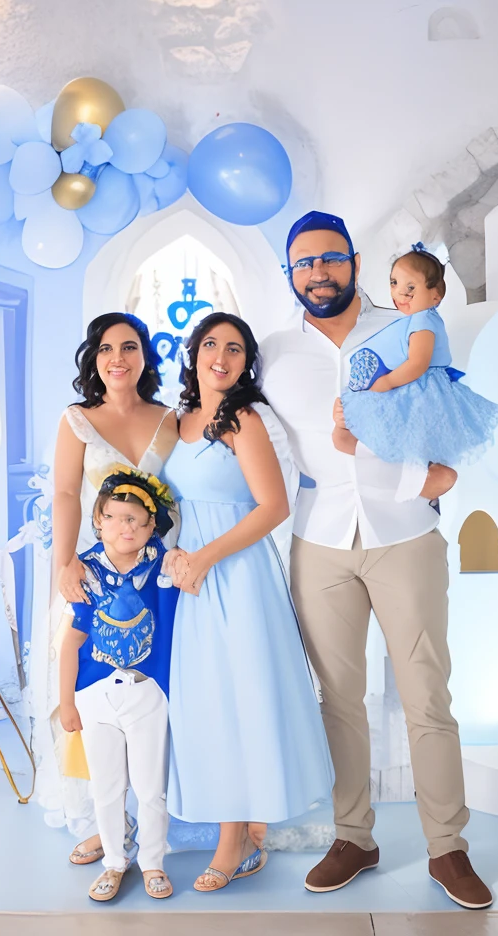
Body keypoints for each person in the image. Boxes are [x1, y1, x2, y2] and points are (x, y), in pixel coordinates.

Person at [262, 211, 494, 909]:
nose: (317, 273)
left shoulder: (406, 327)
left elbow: (445, 412)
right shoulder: (272, 355)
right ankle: (353, 836)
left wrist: (436, 480)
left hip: (405, 535)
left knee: (427, 695)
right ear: (290, 275)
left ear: (354, 261)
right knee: (339, 701)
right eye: (303, 264)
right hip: (320, 542)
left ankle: (448, 849)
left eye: (329, 259)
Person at [161, 312, 334, 893]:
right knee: (207, 704)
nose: (221, 356)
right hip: (190, 580)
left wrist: (203, 558)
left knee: (242, 698)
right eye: (211, 344)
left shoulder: (243, 419)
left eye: (235, 349)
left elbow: (272, 506)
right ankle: (244, 831)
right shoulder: (179, 423)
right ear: (194, 353)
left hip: (236, 576)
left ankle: (233, 842)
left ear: (246, 363)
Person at [44, 312, 180, 865]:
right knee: (94, 688)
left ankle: (157, 820)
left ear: (145, 355)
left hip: (158, 574)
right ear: (93, 357)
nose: (117, 358)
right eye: (105, 348)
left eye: (129, 347)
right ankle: (105, 820)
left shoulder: (172, 418)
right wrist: (65, 563)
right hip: (94, 571)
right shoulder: (77, 420)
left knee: (152, 688)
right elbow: (67, 495)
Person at [59, 469, 180, 902]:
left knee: (150, 787)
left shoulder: (163, 567)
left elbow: (175, 628)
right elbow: (71, 643)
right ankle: (114, 859)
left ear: (151, 527)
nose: (123, 526)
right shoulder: (85, 572)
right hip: (95, 694)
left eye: (135, 519)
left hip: (147, 691)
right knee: (106, 787)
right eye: (113, 517)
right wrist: (67, 702)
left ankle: (152, 861)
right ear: (98, 520)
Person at [337, 243, 498, 501]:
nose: (400, 293)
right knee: (414, 438)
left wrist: (388, 381)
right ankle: (418, 477)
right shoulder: (420, 319)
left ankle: (418, 480)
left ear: (436, 295)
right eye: (394, 283)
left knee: (410, 434)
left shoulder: (422, 321)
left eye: (410, 287)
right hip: (426, 386)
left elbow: (418, 363)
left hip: (421, 388)